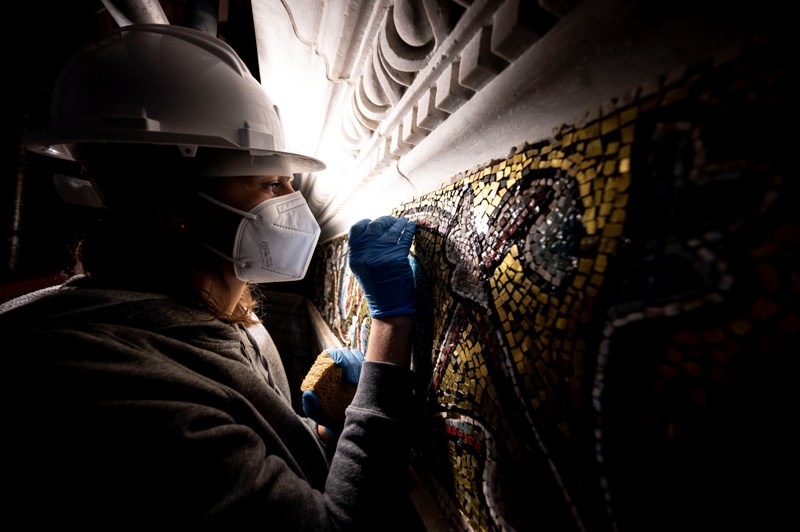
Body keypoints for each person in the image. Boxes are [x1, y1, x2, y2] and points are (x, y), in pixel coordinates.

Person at [2, 24, 421, 529]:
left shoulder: (224, 315)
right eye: (270, 184)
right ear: (171, 207)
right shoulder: (103, 383)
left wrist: (315, 438)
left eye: (288, 181)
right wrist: (389, 333)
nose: (295, 204)